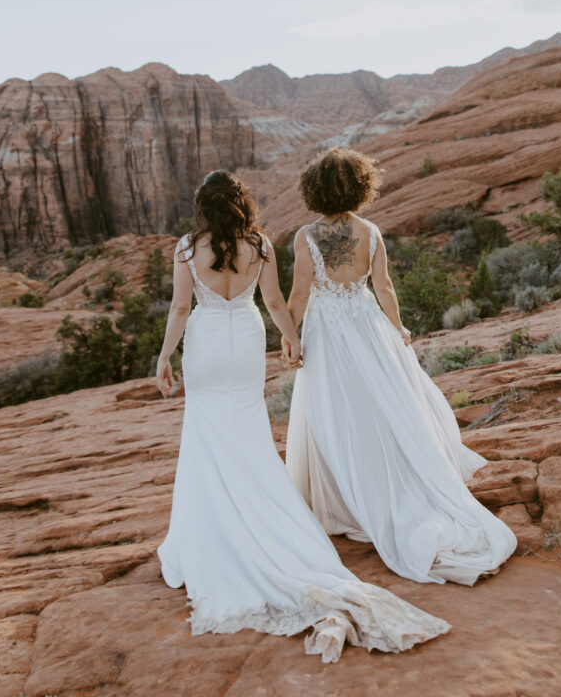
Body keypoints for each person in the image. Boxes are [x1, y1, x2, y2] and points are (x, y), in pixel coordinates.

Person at [155, 169, 450, 663]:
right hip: (246, 340)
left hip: (206, 344)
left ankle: (214, 531)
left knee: (205, 433)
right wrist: (290, 337)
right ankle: (272, 519)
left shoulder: (187, 247)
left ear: (203, 205)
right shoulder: (262, 245)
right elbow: (273, 301)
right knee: (249, 432)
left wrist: (165, 356)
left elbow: (181, 308)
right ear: (241, 204)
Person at [281, 148, 516, 586]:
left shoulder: (306, 236)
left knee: (337, 412)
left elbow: (298, 295)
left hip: (328, 331)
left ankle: (350, 499)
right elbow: (383, 287)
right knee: (383, 406)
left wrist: (290, 337)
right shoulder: (369, 231)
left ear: (315, 188)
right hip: (367, 325)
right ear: (359, 185)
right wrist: (399, 327)